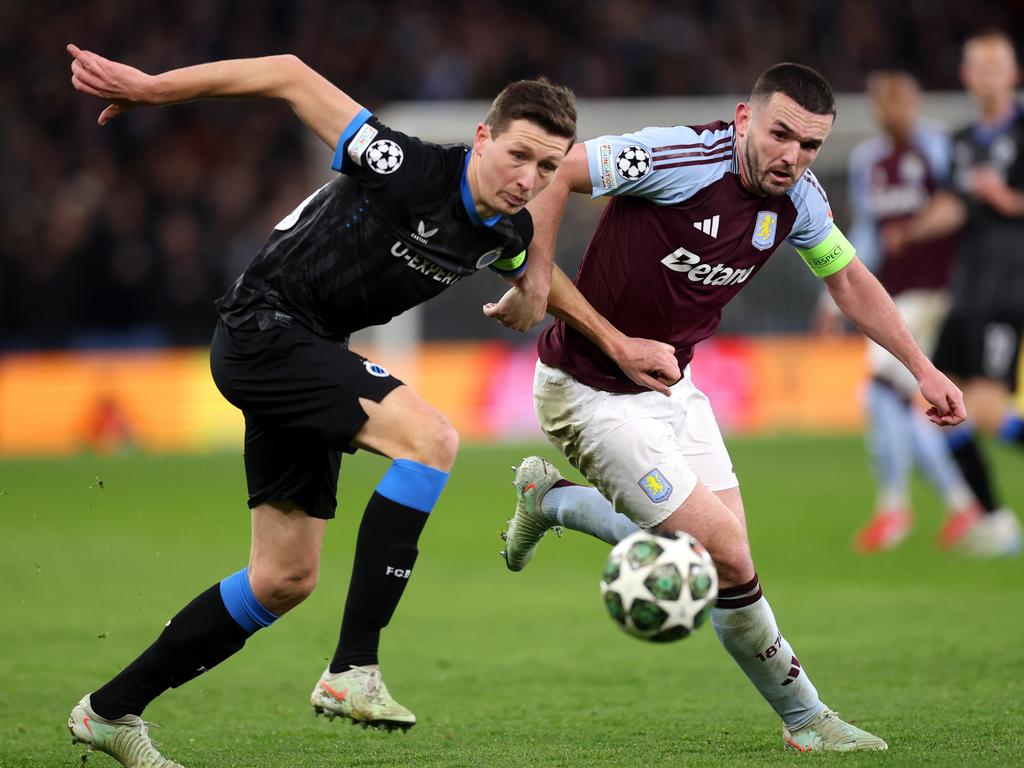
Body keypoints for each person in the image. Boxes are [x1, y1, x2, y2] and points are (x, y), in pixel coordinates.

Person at [65, 44, 576, 767]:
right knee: (431, 439)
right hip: (263, 326)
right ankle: (352, 669)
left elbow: (538, 277)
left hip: (308, 353)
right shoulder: (405, 165)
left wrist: (592, 325)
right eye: (520, 156)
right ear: (484, 138)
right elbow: (288, 73)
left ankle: (110, 711)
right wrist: (156, 89)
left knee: (282, 580)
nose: (530, 179)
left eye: (549, 169)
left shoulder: (508, 230)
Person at [489, 63, 966, 753]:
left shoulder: (801, 200)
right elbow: (561, 168)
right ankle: (808, 719)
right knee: (730, 556)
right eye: (780, 135)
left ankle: (551, 499)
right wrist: (538, 280)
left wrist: (922, 368)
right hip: (588, 388)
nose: (791, 157)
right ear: (745, 120)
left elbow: (851, 280)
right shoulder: (678, 157)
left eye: (810, 146)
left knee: (716, 567)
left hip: (671, 386)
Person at [814, 71, 982, 552]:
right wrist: (832, 297)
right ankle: (957, 503)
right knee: (900, 401)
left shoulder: (940, 150)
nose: (892, 111)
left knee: (886, 389)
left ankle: (903, 508)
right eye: (883, 103)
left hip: (940, 293)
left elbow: (964, 214)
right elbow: (865, 235)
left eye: (900, 102)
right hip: (898, 297)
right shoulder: (871, 161)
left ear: (915, 102)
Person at [884, 30, 1024, 556]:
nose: (986, 74)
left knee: (986, 409)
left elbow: (998, 201)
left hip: (1011, 288)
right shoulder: (963, 140)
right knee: (942, 406)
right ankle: (996, 522)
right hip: (967, 290)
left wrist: (1008, 199)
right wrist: (914, 229)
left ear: (1013, 74)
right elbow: (957, 205)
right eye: (977, 65)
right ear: (966, 76)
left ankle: (995, 523)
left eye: (996, 64)